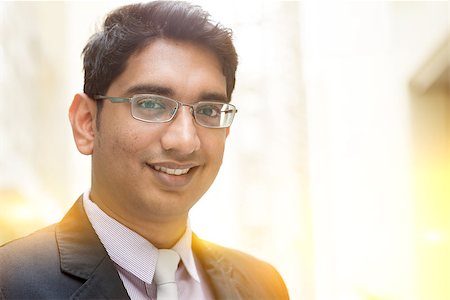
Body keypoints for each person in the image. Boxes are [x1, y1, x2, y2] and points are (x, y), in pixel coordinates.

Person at [0, 1, 289, 299]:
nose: (185, 141)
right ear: (86, 123)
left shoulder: (263, 285)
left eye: (209, 110)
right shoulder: (10, 282)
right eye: (151, 104)